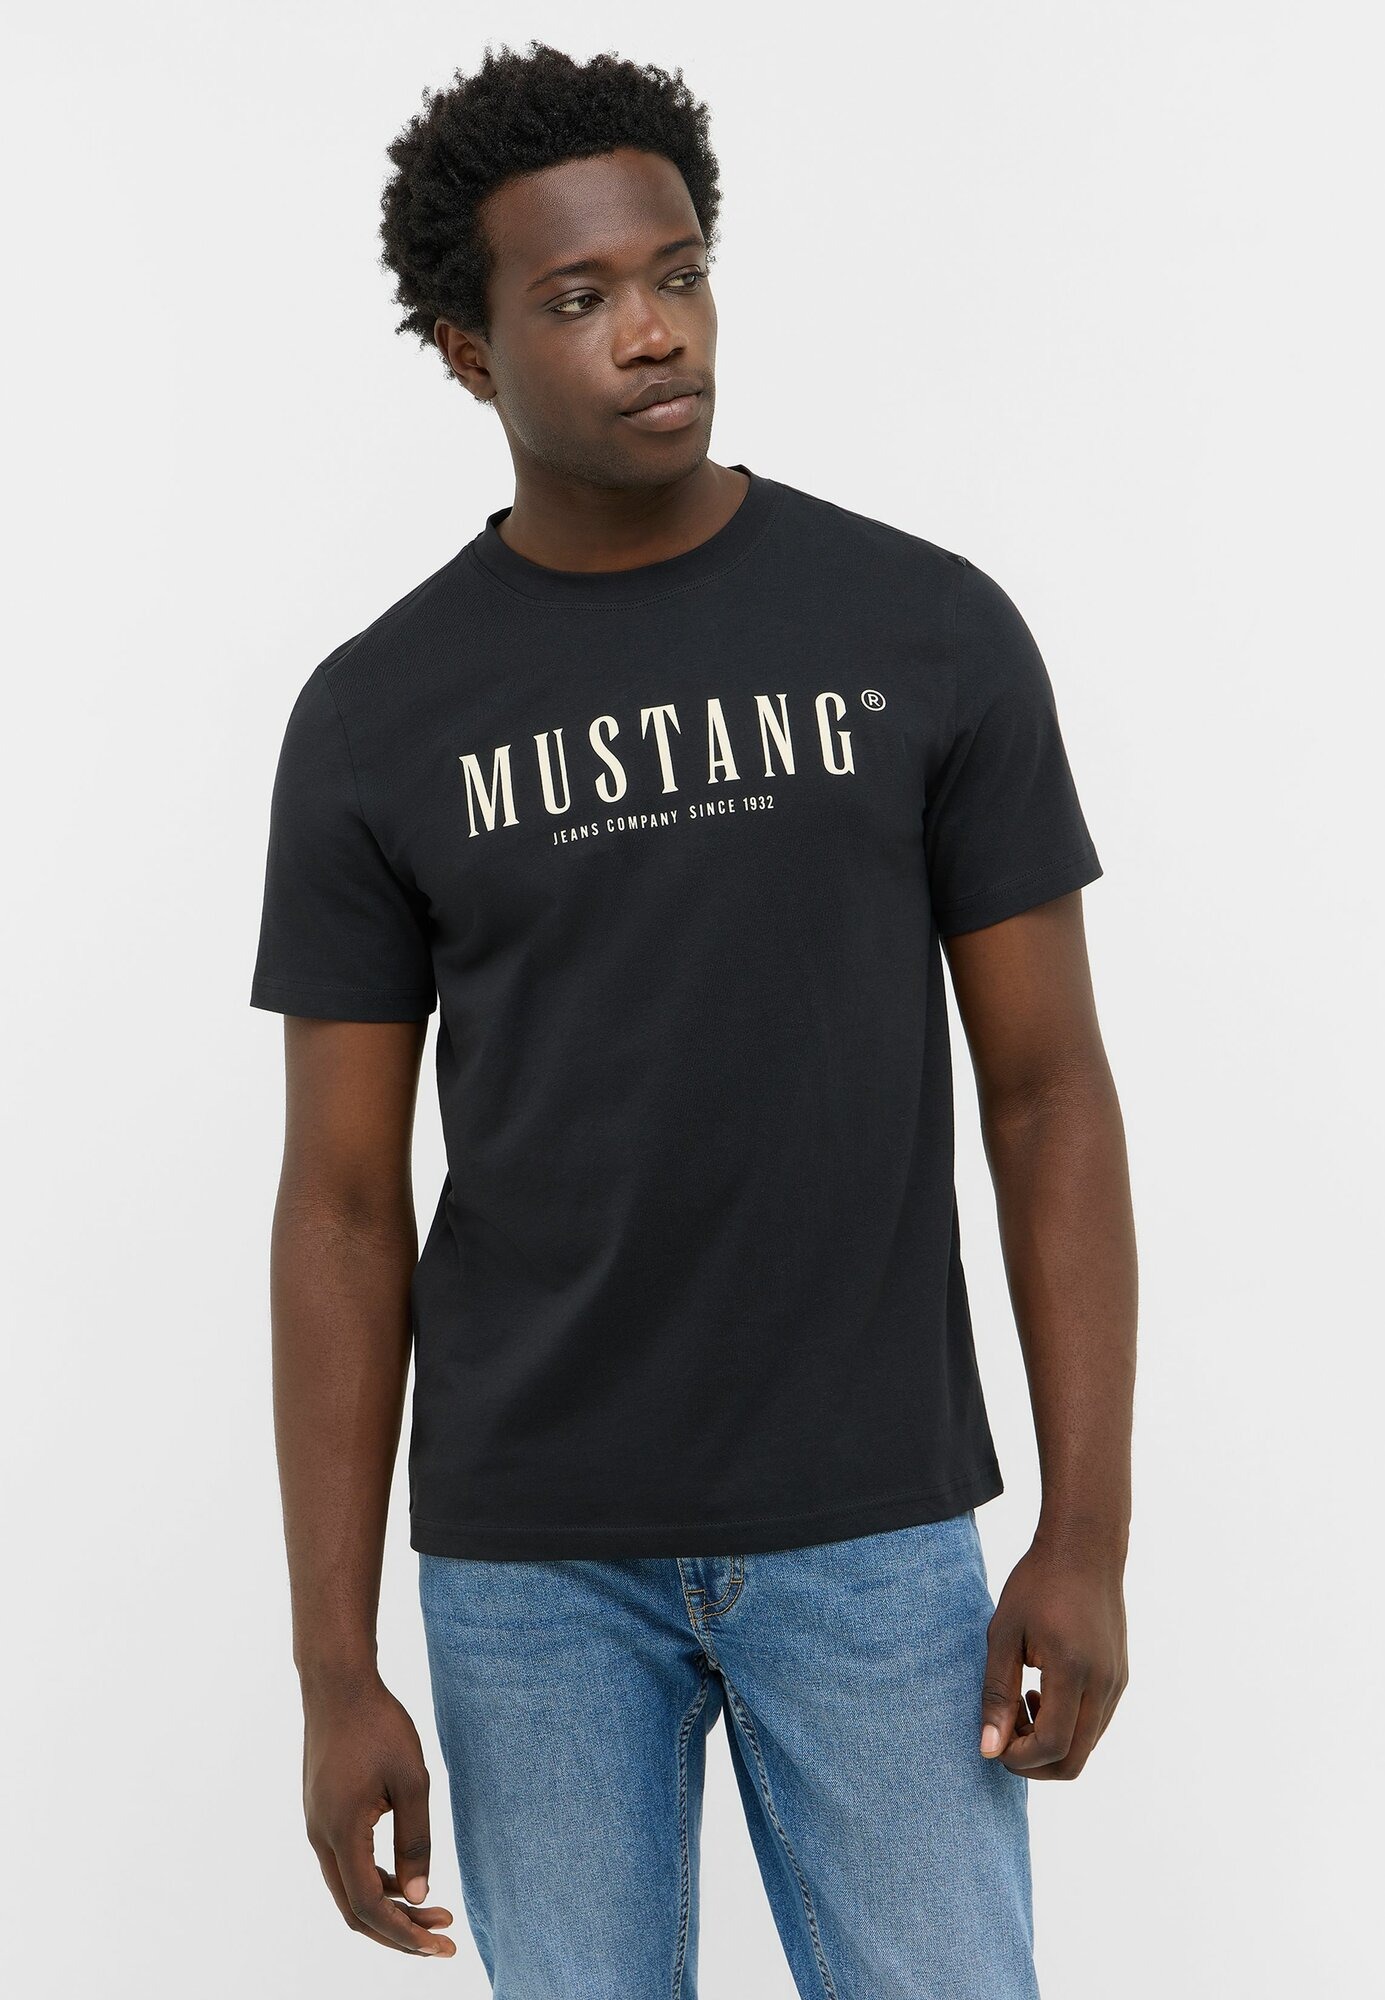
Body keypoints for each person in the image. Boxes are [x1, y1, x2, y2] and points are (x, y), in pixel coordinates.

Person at [250, 40, 1137, 2000]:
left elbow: (1050, 1091)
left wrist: (1087, 1528)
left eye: (676, 274)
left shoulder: (925, 631)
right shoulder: (378, 718)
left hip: (875, 1533)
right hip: (532, 1568)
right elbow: (341, 1204)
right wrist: (331, 1664)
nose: (652, 332)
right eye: (577, 297)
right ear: (467, 351)